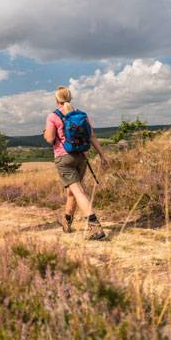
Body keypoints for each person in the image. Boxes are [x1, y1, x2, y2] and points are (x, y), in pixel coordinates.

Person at [43, 86, 110, 240]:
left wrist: (45, 133)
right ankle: (67, 222)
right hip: (81, 156)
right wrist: (102, 156)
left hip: (64, 158)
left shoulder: (53, 116)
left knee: (78, 191)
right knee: (72, 191)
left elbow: (49, 138)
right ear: (70, 97)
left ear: (56, 99)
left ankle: (95, 227)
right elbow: (92, 137)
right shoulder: (82, 114)